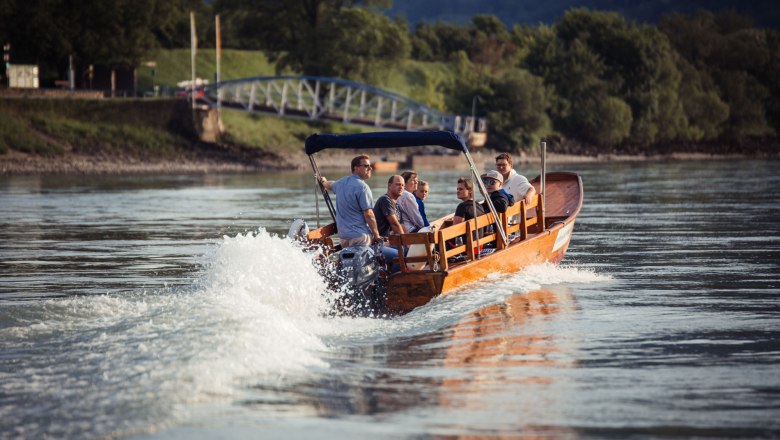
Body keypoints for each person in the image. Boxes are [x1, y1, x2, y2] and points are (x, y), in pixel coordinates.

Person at [319, 154, 381, 247]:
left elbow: (330, 184)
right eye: (366, 166)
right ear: (356, 168)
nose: (370, 169)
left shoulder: (342, 182)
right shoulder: (363, 187)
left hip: (344, 238)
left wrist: (323, 182)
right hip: (360, 236)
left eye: (370, 166)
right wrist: (376, 235)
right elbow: (368, 214)